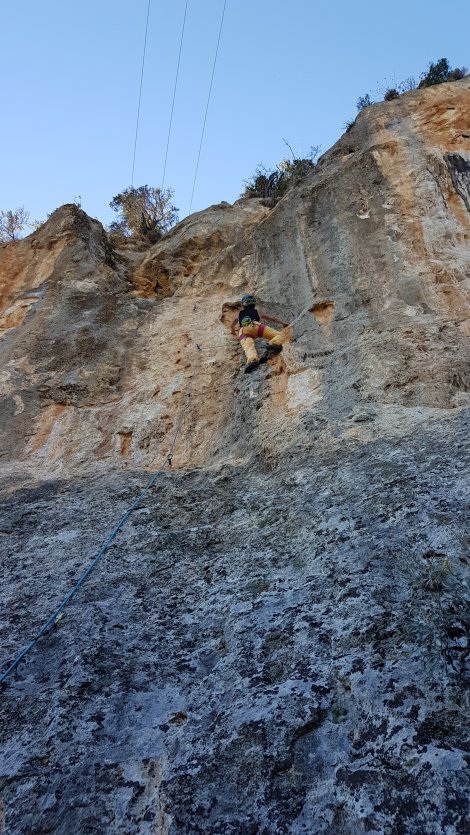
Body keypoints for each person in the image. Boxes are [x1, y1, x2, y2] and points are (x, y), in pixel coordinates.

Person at [231, 294, 288, 373]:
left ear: (244, 304)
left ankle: (253, 360)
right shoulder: (257, 311)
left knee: (248, 348)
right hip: (256, 326)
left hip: (243, 331)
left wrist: (232, 331)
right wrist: (283, 323)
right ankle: (274, 343)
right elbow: (272, 319)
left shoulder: (239, 313)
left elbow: (232, 324)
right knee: (280, 335)